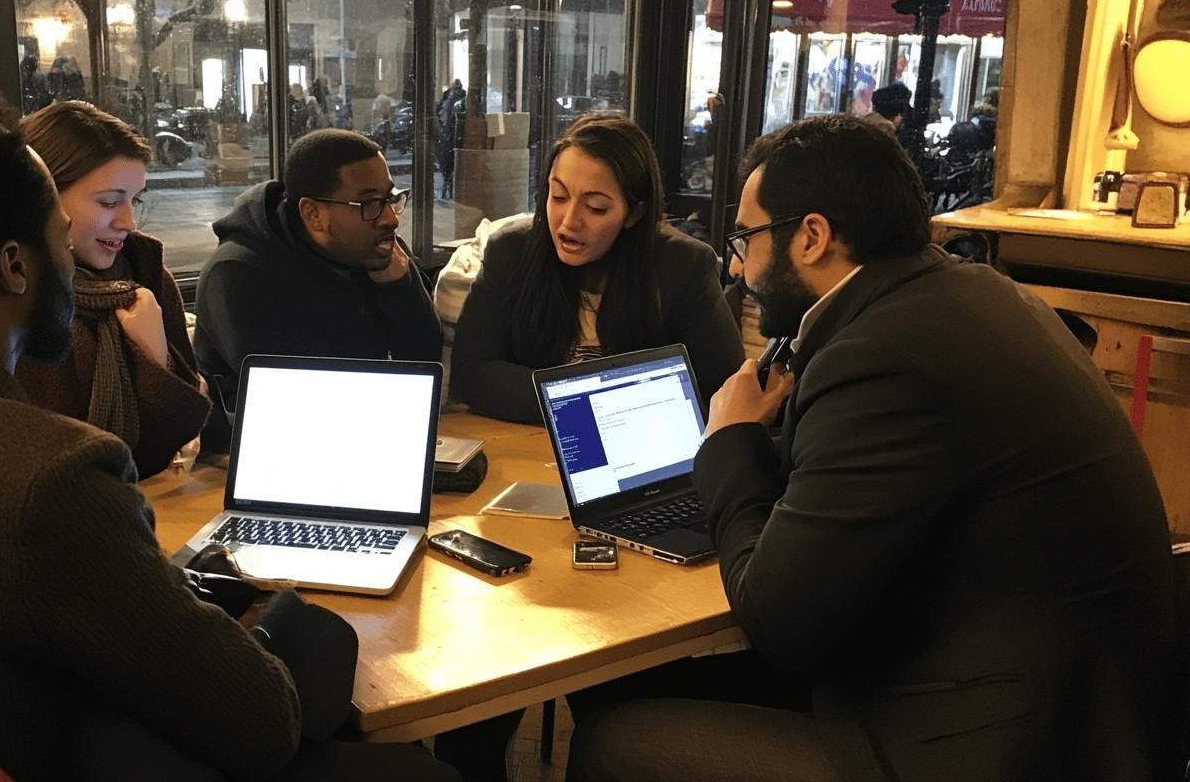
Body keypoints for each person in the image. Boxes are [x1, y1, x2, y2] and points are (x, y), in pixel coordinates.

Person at [0, 71, 459, 782]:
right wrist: (290, 609)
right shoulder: (46, 477)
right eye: (59, 233)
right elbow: (261, 727)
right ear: (15, 267)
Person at [570, 115, 1178, 781]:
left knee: (613, 737)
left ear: (811, 237)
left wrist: (732, 440)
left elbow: (780, 625)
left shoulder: (880, 358)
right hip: (1058, 704)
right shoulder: (967, 295)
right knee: (628, 679)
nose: (739, 270)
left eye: (745, 239)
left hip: (982, 746)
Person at [449, 113, 743, 424]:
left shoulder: (685, 266)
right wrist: (603, 404)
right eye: (558, 196)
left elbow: (724, 392)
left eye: (596, 207)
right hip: (529, 447)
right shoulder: (511, 252)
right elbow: (472, 372)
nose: (569, 221)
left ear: (633, 214)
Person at [192, 128, 441, 451]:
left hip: (368, 437)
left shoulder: (374, 249)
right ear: (312, 213)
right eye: (369, 203)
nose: (389, 218)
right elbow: (299, 402)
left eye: (391, 198)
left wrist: (398, 287)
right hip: (262, 454)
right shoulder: (238, 273)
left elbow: (426, 363)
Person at [17, 100, 210, 479]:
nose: (128, 221)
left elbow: (173, 444)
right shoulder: (12, 298)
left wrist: (156, 358)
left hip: (141, 498)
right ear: (43, 198)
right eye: (109, 202)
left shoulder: (145, 274)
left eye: (133, 200)